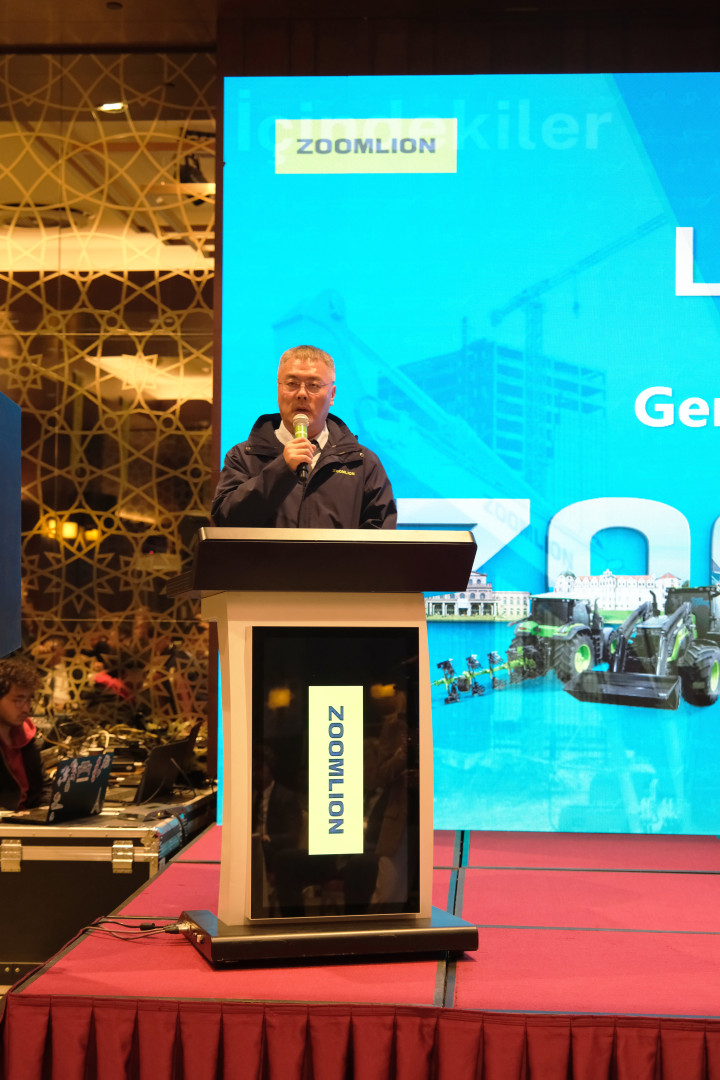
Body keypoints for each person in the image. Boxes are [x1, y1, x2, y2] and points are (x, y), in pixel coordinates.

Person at [212, 344, 396, 529]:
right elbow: (225, 522)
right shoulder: (243, 457)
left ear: (332, 395)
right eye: (292, 384)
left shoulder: (362, 463)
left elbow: (381, 537)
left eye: (313, 385)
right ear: (278, 390)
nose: (301, 394)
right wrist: (281, 469)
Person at [0, 656, 45, 810]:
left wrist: (45, 810)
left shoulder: (26, 734)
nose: (26, 709)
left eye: (28, 700)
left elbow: (41, 788)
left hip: (26, 819)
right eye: (18, 700)